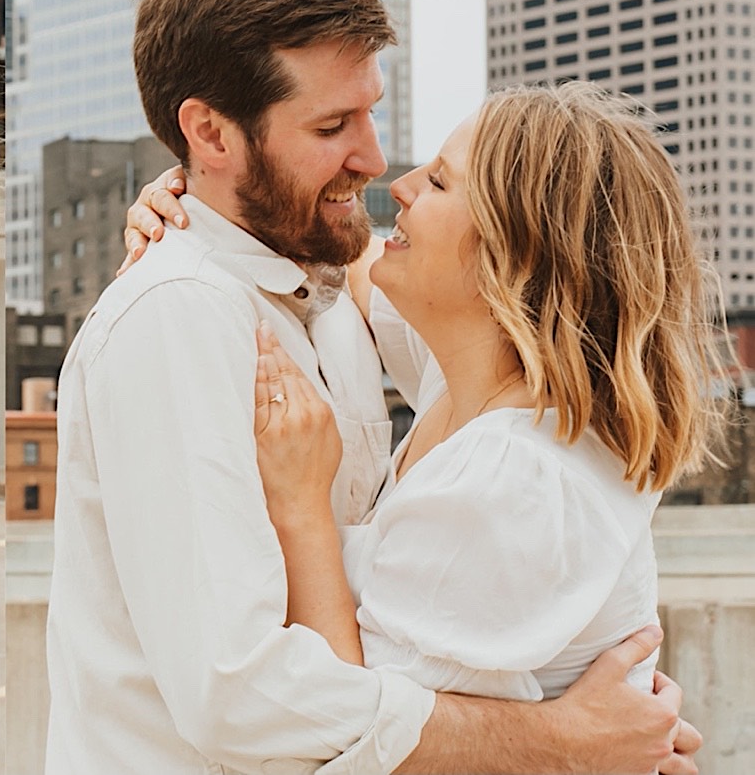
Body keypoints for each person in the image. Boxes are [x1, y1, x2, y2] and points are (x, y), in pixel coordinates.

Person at [47, 0, 698, 774]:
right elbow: (241, 697)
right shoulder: (181, 317)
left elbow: (518, 337)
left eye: (371, 110)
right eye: (332, 125)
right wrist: (560, 741)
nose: (380, 160)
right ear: (210, 132)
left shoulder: (333, 298)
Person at [247, 82, 723, 703]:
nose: (401, 185)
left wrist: (302, 507)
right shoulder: (474, 378)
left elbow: (360, 731)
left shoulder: (511, 478)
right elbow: (356, 260)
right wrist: (197, 200)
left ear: (514, 252)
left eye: (440, 183)